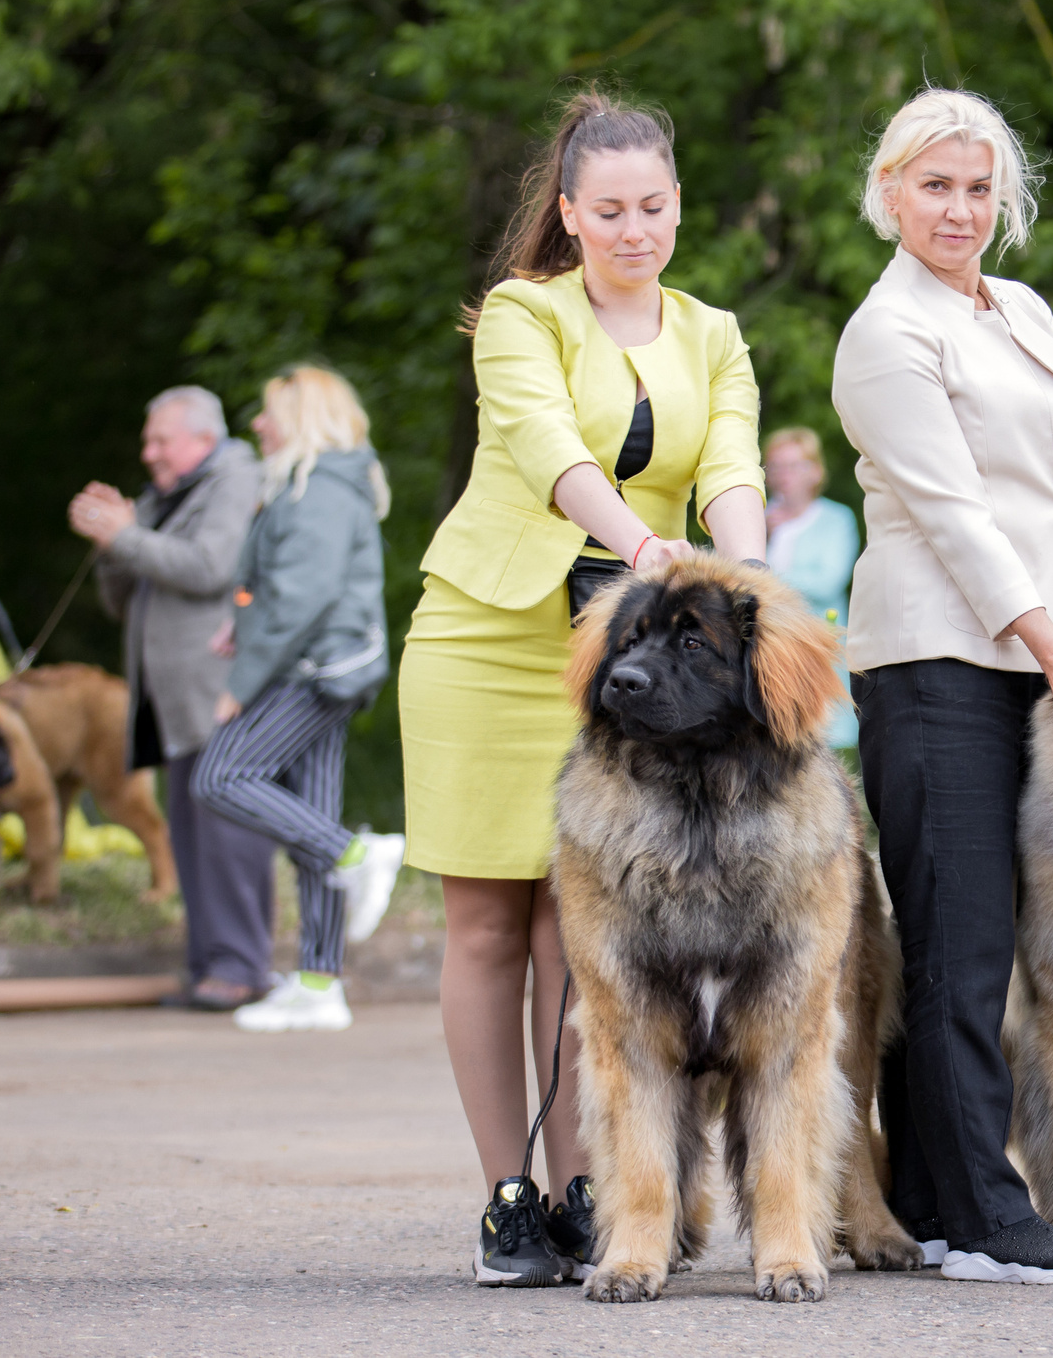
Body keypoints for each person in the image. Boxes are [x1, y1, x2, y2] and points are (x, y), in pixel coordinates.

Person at [402, 89, 767, 1287]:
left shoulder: (712, 332)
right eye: (608, 210)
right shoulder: (524, 312)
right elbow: (546, 447)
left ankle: (583, 1187)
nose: (632, 229)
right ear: (568, 212)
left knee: (580, 930)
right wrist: (647, 548)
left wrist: (742, 576)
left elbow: (731, 466)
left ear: (678, 205)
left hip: (624, 663)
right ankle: (505, 1196)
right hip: (487, 637)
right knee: (486, 927)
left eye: (651, 206)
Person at [834, 86, 1053, 1287]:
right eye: (935, 186)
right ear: (890, 193)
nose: (959, 209)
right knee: (958, 942)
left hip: (1032, 659)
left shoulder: (1020, 309)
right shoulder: (886, 333)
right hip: (937, 660)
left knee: (986, 936)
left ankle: (928, 1201)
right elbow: (958, 520)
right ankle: (984, 1210)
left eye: (979, 189)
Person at [188, 365, 404, 1032]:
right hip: (316, 664)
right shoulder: (313, 483)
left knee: (221, 775)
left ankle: (360, 854)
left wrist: (238, 688)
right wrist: (240, 623)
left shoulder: (320, 489)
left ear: (302, 419)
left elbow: (301, 599)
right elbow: (281, 587)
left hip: (313, 669)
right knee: (310, 815)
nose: (257, 424)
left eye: (269, 413)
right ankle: (318, 984)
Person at [73, 386, 278, 1011]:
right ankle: (208, 965)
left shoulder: (234, 479)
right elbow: (122, 599)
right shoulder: (169, 495)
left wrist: (127, 536)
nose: (149, 453)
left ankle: (241, 967)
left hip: (220, 691)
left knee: (228, 834)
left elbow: (210, 567)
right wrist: (113, 542)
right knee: (190, 835)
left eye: (161, 440)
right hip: (174, 700)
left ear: (203, 439)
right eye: (148, 441)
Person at [762, 425, 860, 748]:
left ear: (815, 471)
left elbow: (828, 581)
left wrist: (767, 575)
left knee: (824, 731)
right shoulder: (759, 518)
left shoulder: (836, 519)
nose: (783, 475)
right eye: (775, 466)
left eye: (793, 466)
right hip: (770, 638)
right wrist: (765, 536)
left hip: (819, 636)